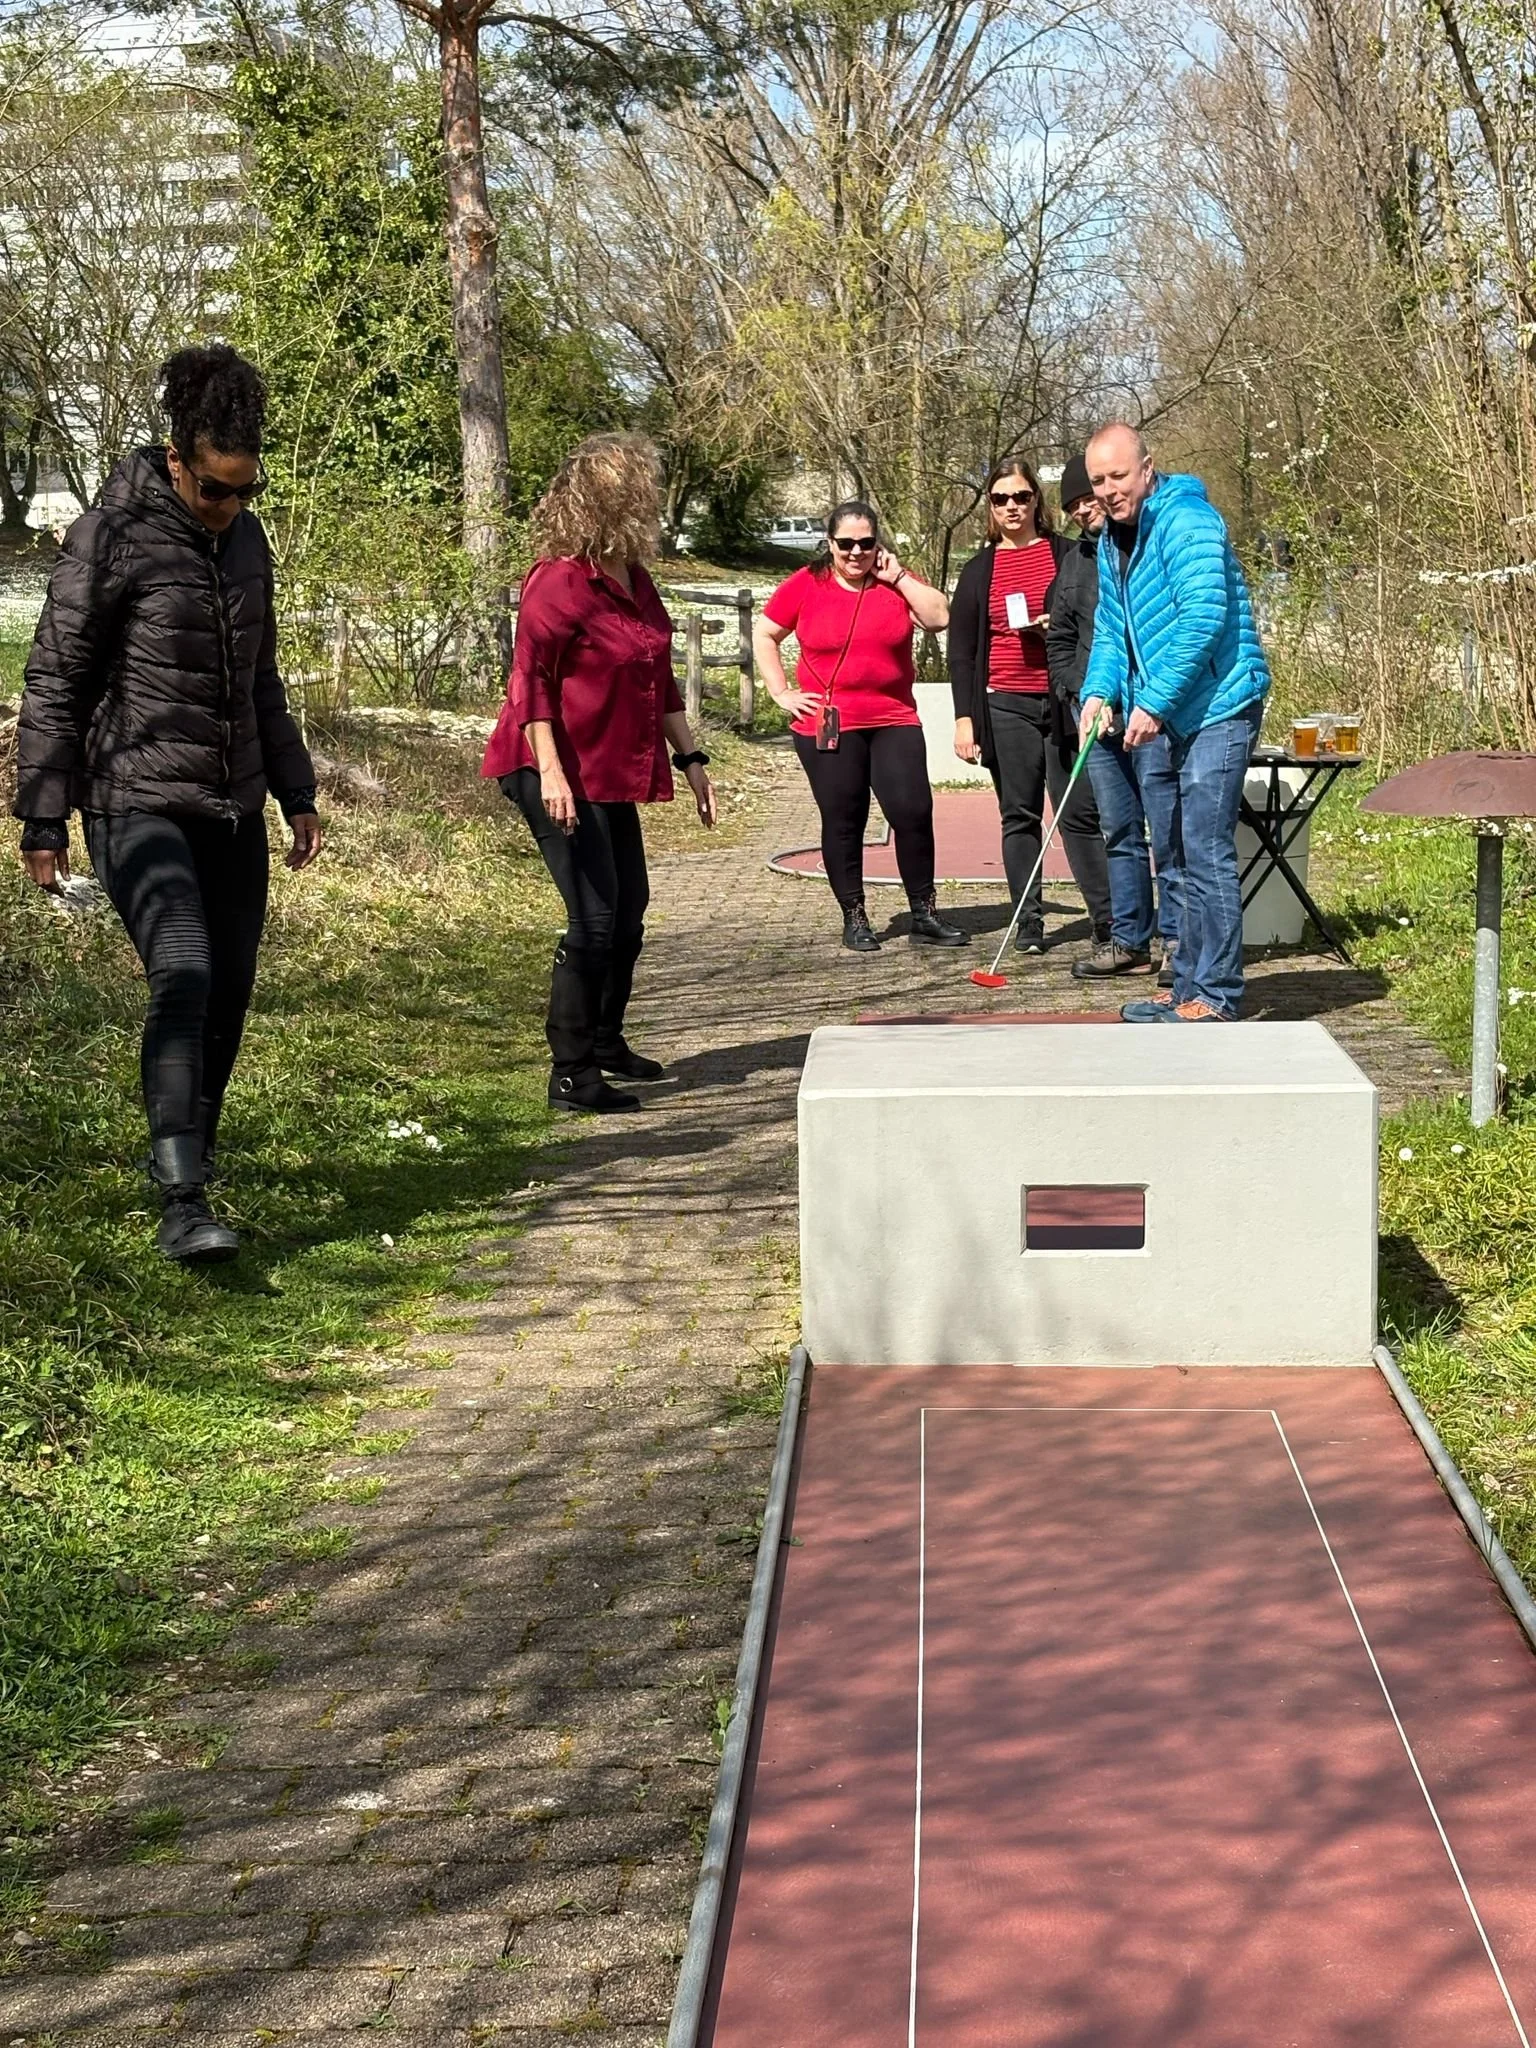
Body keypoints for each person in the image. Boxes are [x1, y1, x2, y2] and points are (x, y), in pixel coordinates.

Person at [13, 343, 322, 1264]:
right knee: (182, 971)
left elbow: (262, 675)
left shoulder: (248, 541)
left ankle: (196, 1150)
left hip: (230, 802)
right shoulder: (110, 535)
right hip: (132, 798)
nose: (230, 506)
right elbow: (56, 676)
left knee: (228, 989)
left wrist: (295, 789)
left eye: (245, 490)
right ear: (176, 459)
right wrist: (41, 813)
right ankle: (180, 1199)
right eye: (215, 488)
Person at [482, 433, 717, 1114]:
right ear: (602, 501)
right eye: (637, 493)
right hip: (547, 764)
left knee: (630, 911)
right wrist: (552, 774)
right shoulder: (557, 580)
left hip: (607, 769)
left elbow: (658, 676)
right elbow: (531, 684)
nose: (650, 505)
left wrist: (692, 758)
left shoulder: (634, 579)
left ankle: (608, 1041)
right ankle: (572, 1073)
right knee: (593, 918)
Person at [1077, 423, 1271, 1022]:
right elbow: (1112, 630)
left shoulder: (1188, 522)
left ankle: (1217, 993)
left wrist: (1153, 703)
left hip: (1217, 704)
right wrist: (1097, 691)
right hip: (1159, 715)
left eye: (1118, 476)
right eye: (1097, 481)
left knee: (1204, 848)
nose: (1108, 491)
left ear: (1147, 468)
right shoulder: (1111, 540)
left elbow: (1203, 618)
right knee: (1170, 852)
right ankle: (1184, 984)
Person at [755, 501, 965, 953]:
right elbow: (765, 634)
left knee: (912, 813)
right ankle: (854, 915)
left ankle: (924, 912)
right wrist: (780, 692)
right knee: (844, 819)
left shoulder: (893, 584)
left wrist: (900, 577)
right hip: (828, 723)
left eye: (866, 543)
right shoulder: (807, 584)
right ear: (829, 544)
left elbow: (939, 618)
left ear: (878, 544)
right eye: (845, 543)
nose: (856, 553)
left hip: (893, 717)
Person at [948, 454, 1113, 956]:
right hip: (1005, 704)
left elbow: (1095, 619)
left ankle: (1109, 922)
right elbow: (961, 652)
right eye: (1001, 499)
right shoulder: (979, 570)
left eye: (1021, 496)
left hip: (1064, 702)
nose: (1012, 507)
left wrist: (1054, 626)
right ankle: (1029, 921)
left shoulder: (1070, 554)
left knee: (1079, 813)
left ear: (1036, 501)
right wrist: (964, 719)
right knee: (1018, 814)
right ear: (991, 508)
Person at [1047, 451, 1178, 983]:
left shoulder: (1152, 541)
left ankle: (1177, 942)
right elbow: (1063, 639)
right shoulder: (1082, 558)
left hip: (1152, 710)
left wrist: (1153, 699)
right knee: (1119, 830)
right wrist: (1080, 695)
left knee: (1169, 832)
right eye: (1077, 503)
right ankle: (1129, 940)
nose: (1087, 508)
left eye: (1092, 495)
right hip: (1097, 711)